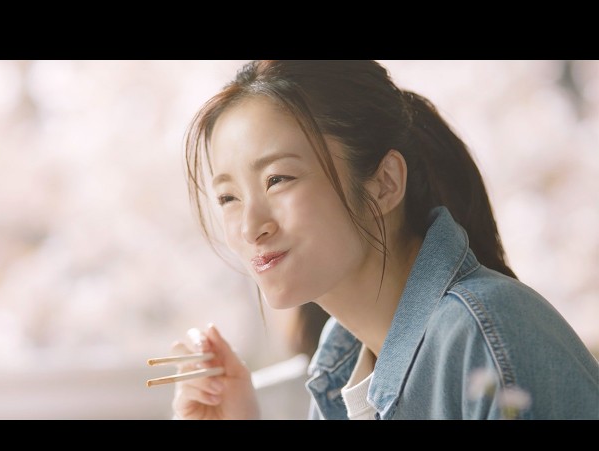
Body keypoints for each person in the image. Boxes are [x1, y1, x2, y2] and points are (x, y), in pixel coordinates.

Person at [171, 60, 599, 420]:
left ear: (384, 183)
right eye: (228, 197)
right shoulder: (340, 371)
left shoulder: (479, 335)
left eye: (277, 179)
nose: (250, 227)